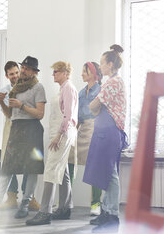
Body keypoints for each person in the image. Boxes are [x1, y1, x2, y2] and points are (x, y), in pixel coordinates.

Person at [0, 56, 46, 218]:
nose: (23, 70)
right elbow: (10, 114)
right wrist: (2, 102)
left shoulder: (38, 87)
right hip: (16, 129)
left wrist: (22, 105)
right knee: (7, 167)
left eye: (26, 68)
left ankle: (25, 203)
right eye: (22, 67)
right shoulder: (16, 88)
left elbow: (40, 114)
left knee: (32, 168)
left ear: (34, 72)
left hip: (32, 131)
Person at [26, 61, 78, 226]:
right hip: (60, 132)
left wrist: (58, 136)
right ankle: (65, 207)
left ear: (65, 73)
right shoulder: (63, 88)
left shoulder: (68, 88)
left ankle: (45, 212)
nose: (53, 74)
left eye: (56, 71)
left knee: (50, 170)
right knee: (62, 172)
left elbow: (68, 116)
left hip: (62, 133)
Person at [83, 45, 128, 233]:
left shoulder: (113, 82)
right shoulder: (111, 81)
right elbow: (94, 107)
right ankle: (106, 210)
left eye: (102, 63)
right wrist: (95, 107)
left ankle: (112, 214)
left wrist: (94, 106)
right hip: (105, 129)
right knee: (105, 172)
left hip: (110, 130)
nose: (100, 66)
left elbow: (94, 106)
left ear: (110, 64)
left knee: (110, 173)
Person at [0, 61, 40, 211]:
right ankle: (11, 197)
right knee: (9, 162)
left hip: (28, 127)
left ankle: (28, 198)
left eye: (16, 72)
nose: (15, 76)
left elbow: (38, 111)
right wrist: (2, 101)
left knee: (30, 162)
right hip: (11, 126)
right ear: (6, 76)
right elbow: (8, 114)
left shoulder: (29, 87)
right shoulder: (5, 90)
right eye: (11, 74)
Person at [76, 61, 103, 216]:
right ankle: (65, 202)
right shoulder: (81, 93)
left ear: (93, 73)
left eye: (85, 71)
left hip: (95, 128)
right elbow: (78, 116)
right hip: (82, 128)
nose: (82, 74)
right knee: (71, 163)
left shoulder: (100, 90)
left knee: (94, 166)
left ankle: (95, 203)